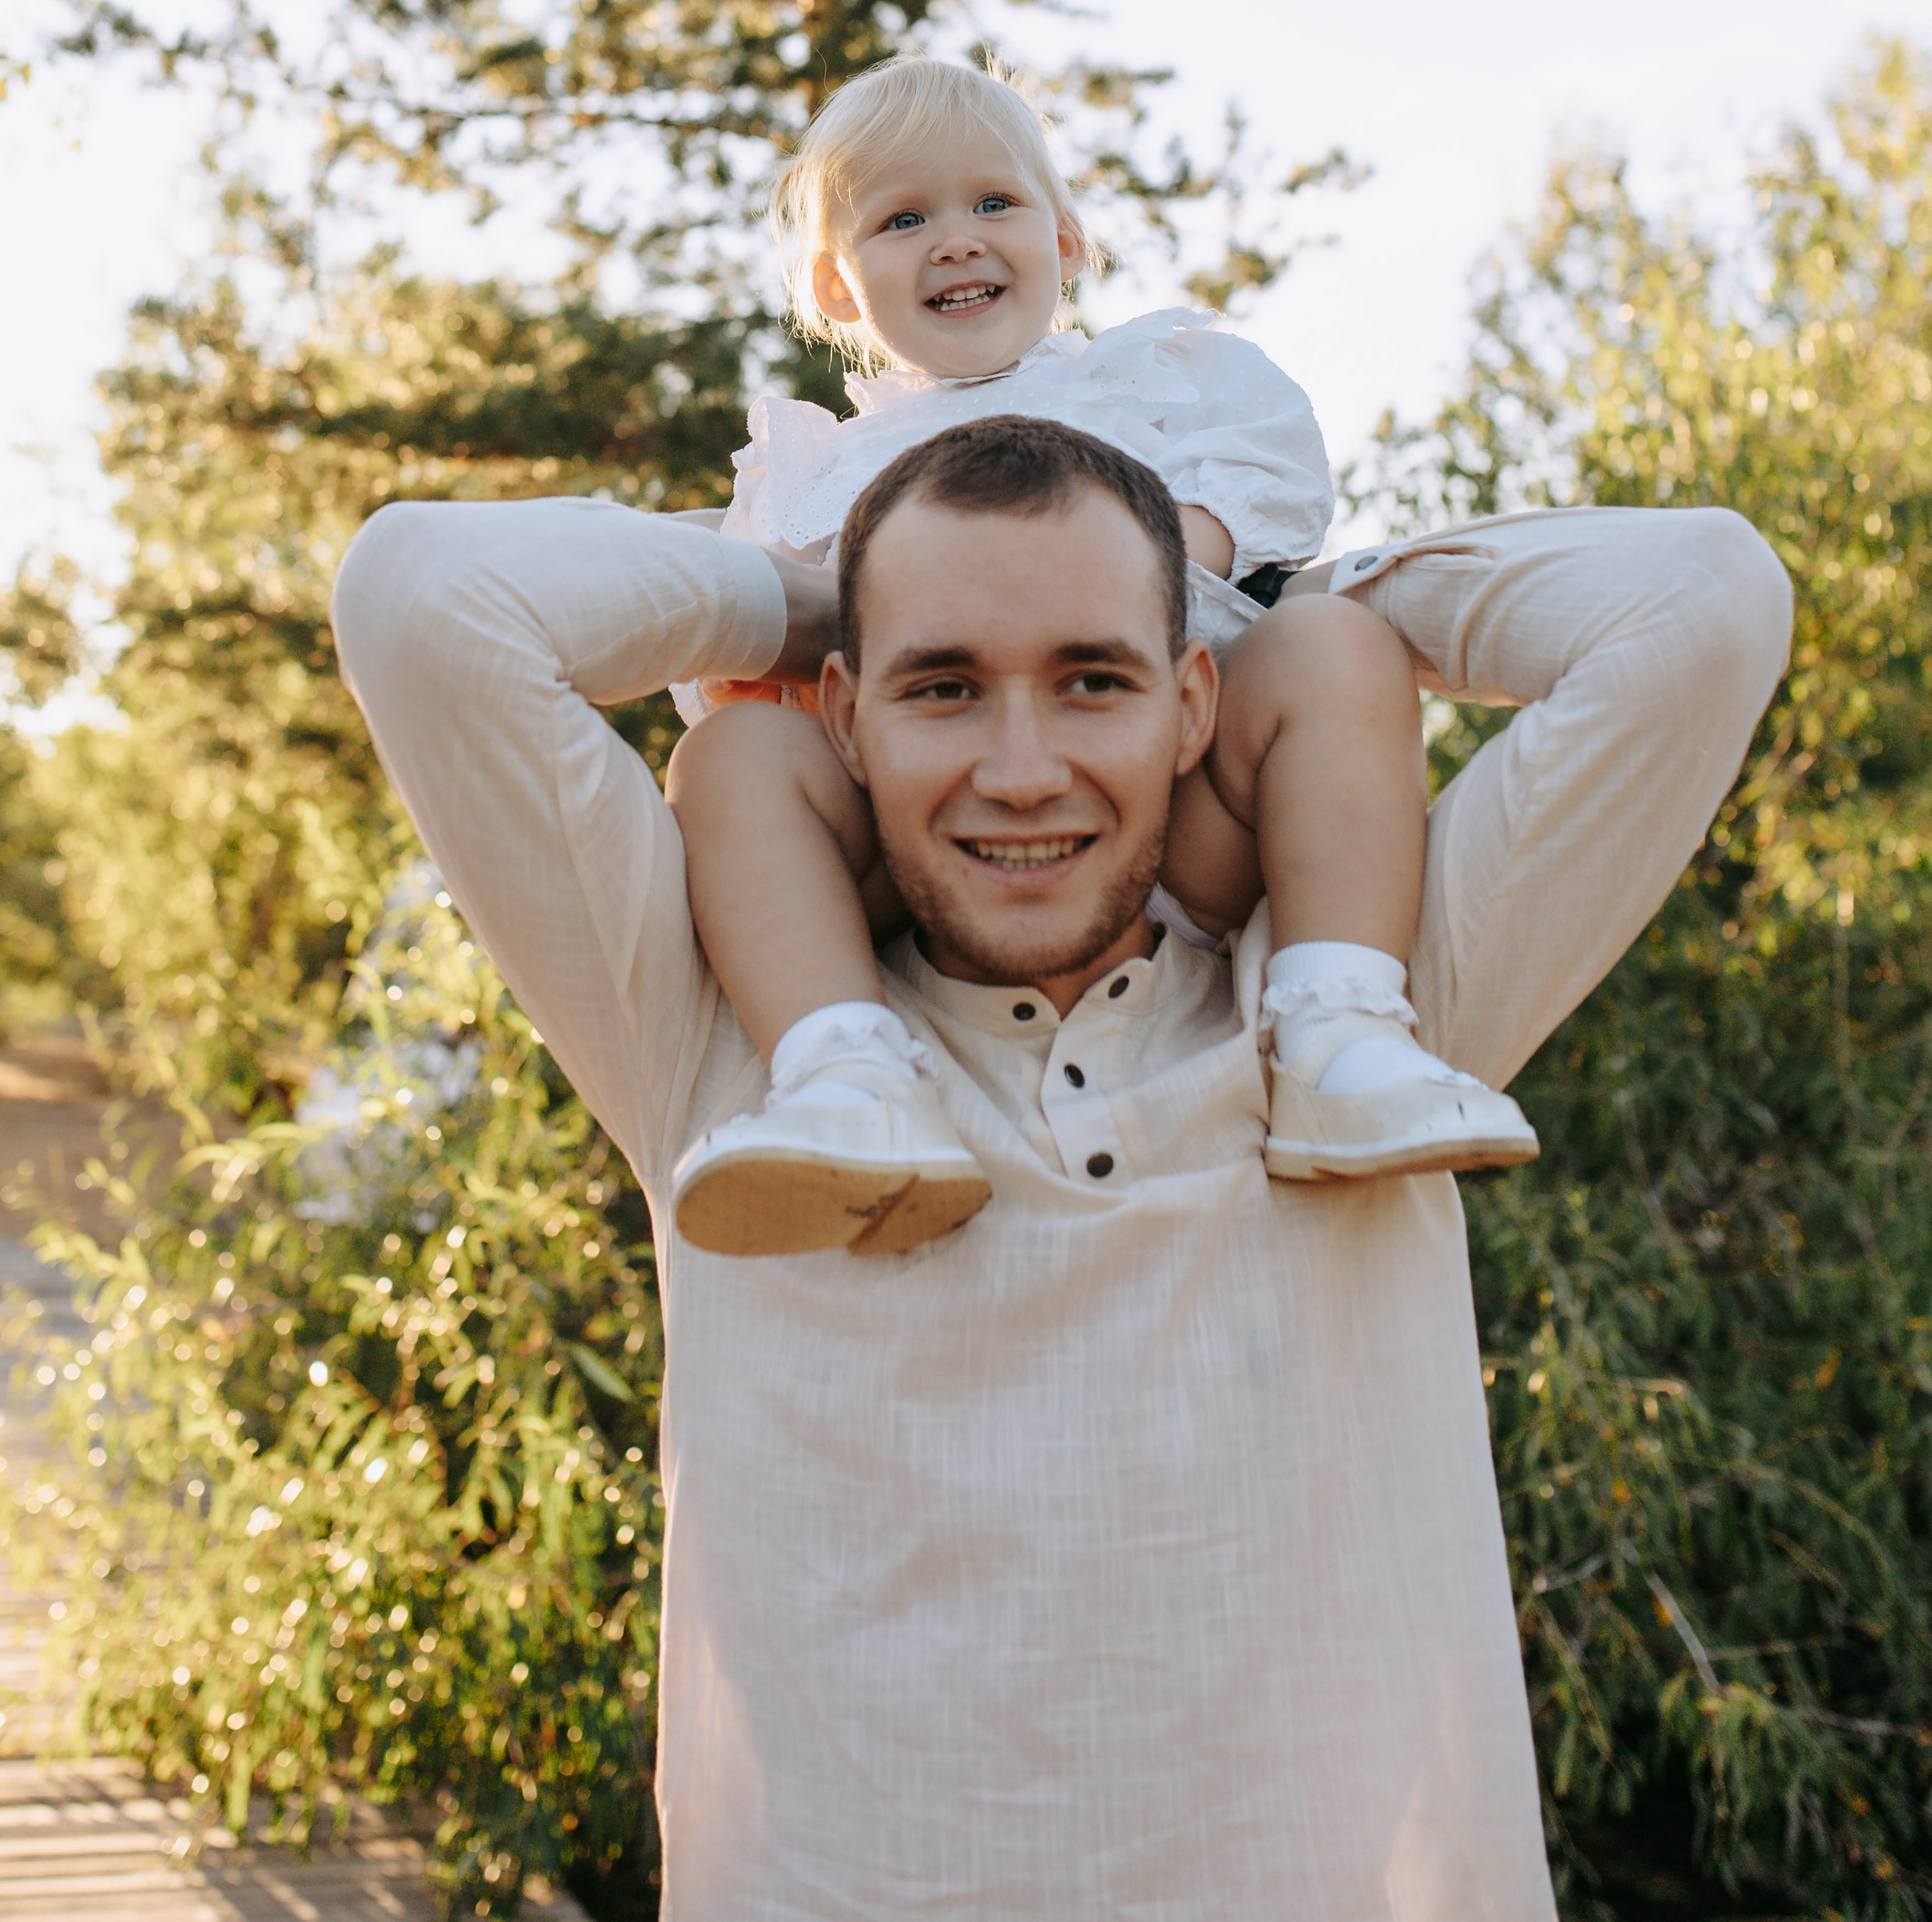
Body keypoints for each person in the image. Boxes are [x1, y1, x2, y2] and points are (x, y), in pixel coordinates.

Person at [331, 419, 1790, 1920]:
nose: (1020, 773)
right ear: (844, 718)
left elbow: (1703, 597)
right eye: (942, 686)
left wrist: (1278, 602)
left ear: (1192, 703)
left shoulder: (1360, 1009)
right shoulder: (726, 1040)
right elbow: (424, 594)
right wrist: (808, 590)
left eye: (1094, 676)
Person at [661, 54, 1536, 1254]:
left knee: (1337, 643)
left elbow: (1279, 472)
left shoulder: (1155, 383)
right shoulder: (815, 474)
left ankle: (1338, 1023)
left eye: (994, 204)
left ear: (1068, 242)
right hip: (930, 836)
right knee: (731, 761)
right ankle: (845, 1073)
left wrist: (1156, 549)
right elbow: (720, 658)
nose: (957, 241)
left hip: (1194, 798)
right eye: (904, 219)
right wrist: (825, 616)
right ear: (838, 284)